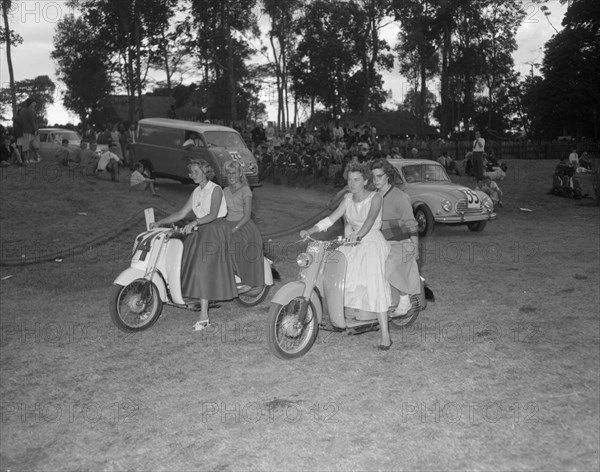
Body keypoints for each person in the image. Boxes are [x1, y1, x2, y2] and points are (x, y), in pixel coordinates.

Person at [300, 163, 392, 350]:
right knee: (336, 271)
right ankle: (348, 314)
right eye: (349, 180)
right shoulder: (348, 199)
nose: (352, 183)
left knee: (374, 283)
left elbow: (370, 220)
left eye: (357, 179)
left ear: (366, 180)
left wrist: (358, 234)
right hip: (353, 243)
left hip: (371, 242)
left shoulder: (376, 198)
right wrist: (311, 230)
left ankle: (385, 335)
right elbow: (331, 219)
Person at [150, 159, 237, 330]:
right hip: (200, 230)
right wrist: (160, 222)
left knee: (203, 269)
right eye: (191, 172)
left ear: (206, 172)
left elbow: (212, 215)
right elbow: (182, 212)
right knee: (181, 261)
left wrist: (194, 223)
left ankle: (204, 317)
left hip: (215, 231)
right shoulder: (197, 191)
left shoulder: (215, 189)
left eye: (196, 171)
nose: (193, 175)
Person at [370, 159, 421, 316]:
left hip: (400, 243)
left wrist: (415, 248)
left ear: (388, 176)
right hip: (379, 242)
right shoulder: (372, 197)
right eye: (373, 177)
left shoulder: (400, 197)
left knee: (389, 266)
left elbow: (411, 224)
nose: (376, 180)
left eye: (379, 176)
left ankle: (404, 300)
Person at [222, 160, 265, 289]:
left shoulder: (245, 191)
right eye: (228, 173)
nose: (231, 176)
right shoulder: (225, 190)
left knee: (234, 245)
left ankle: (242, 279)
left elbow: (246, 216)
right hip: (227, 223)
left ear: (240, 174)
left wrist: (233, 229)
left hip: (243, 226)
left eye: (233, 173)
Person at [20, 97, 39, 163]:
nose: (35, 104)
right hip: (31, 131)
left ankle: (26, 160)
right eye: (34, 103)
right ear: (31, 103)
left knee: (25, 146)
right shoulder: (30, 111)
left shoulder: (23, 111)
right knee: (32, 146)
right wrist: (35, 130)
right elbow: (32, 121)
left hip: (25, 131)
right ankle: (30, 159)